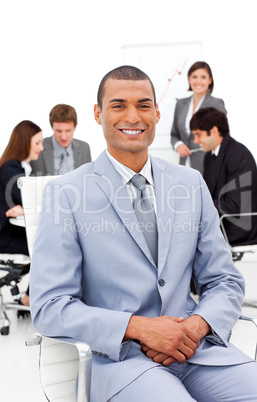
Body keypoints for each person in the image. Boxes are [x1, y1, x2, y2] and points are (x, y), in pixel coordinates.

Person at [30, 66, 257, 402]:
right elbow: (50, 306)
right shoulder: (66, 193)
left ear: (157, 112)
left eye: (144, 105)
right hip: (121, 362)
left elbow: (225, 279)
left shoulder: (190, 185)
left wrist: (195, 327)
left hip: (195, 350)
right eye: (119, 105)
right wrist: (140, 328)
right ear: (98, 113)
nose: (133, 116)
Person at [190, 107, 257, 246]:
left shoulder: (238, 155)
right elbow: (207, 194)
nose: (196, 140)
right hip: (221, 222)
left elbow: (235, 205)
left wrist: (197, 206)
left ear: (214, 131)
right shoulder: (209, 156)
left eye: (198, 134)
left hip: (237, 227)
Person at [0, 120, 43, 307]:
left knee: (48, 244)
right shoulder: (10, 167)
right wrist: (27, 207)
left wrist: (26, 208)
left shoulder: (26, 168)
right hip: (5, 235)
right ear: (25, 143)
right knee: (44, 248)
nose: (41, 148)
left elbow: (31, 203)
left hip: (14, 230)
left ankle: (30, 296)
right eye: (37, 143)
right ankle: (29, 298)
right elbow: (29, 199)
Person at [171, 61, 227, 174]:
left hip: (209, 166)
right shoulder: (181, 104)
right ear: (189, 79)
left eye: (203, 77)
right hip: (184, 165)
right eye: (194, 77)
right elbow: (174, 134)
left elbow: (223, 136)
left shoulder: (216, 104)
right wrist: (178, 145)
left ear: (210, 80)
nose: (198, 81)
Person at [30, 103, 91, 175]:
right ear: (52, 127)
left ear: (75, 126)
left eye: (68, 131)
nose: (63, 137)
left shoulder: (84, 148)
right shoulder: (38, 147)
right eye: (59, 131)